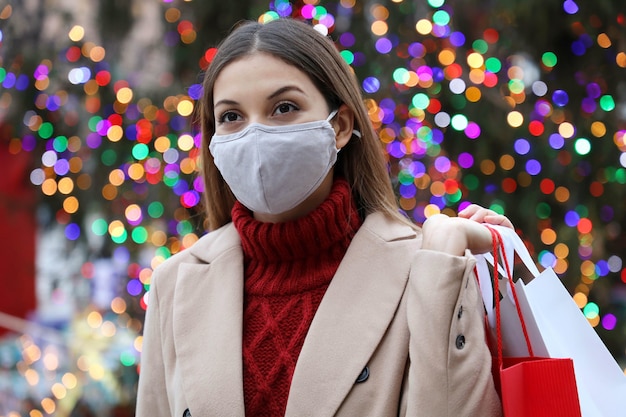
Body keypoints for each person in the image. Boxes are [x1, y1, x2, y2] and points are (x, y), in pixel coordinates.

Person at [136, 17, 513, 417]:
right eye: (231, 117)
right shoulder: (175, 284)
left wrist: (443, 260)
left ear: (340, 126)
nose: (256, 135)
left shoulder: (425, 269)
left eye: (284, 107)